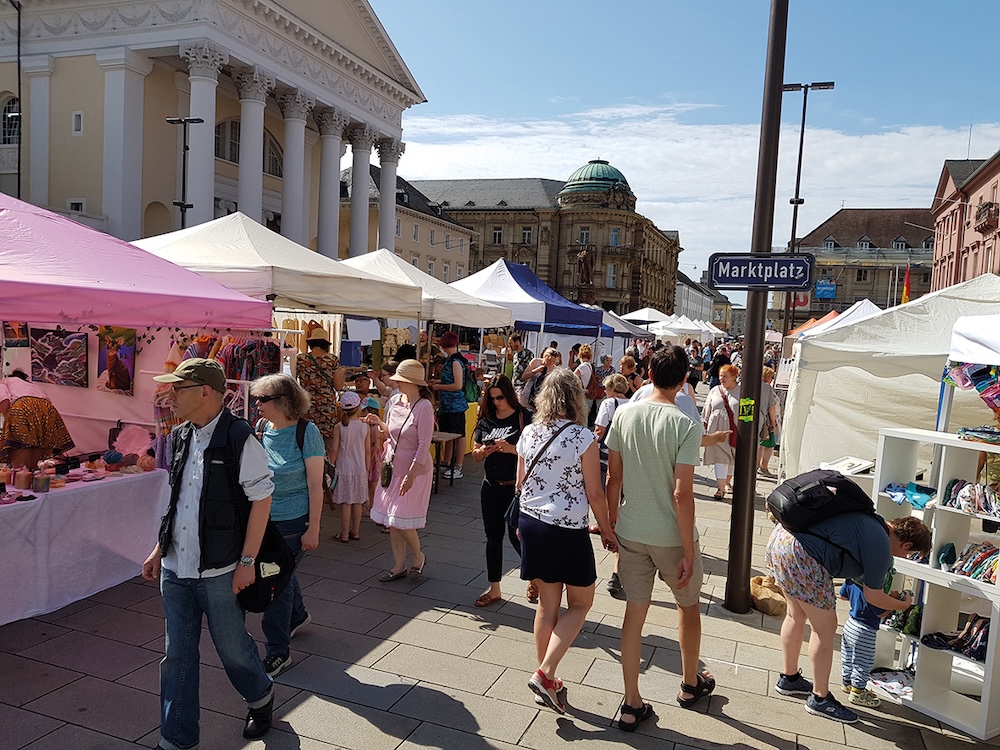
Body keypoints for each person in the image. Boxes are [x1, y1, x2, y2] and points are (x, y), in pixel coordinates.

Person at [143, 359, 276, 748]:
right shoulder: (180, 435)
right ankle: (177, 739)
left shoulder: (239, 437)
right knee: (177, 657)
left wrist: (247, 562)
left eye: (178, 388)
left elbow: (262, 501)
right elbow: (179, 503)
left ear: (205, 391)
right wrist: (159, 549)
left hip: (221, 570)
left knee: (232, 649)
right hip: (176, 569)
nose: (169, 396)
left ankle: (260, 695)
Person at [606, 346, 714, 730]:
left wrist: (610, 523)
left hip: (631, 529)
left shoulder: (624, 413)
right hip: (670, 535)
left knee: (634, 615)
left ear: (648, 374)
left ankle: (631, 702)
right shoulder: (686, 425)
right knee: (688, 607)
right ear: (684, 380)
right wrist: (688, 549)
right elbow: (682, 494)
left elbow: (613, 478)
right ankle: (689, 683)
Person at [515, 368, 617, 713]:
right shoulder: (582, 437)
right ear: (577, 398)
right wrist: (606, 529)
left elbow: (521, 482)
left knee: (547, 606)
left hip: (531, 522)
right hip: (566, 528)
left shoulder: (529, 432)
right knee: (580, 603)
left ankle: (546, 679)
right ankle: (545, 674)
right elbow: (595, 493)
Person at [766, 513, 930, 724]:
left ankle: (789, 679)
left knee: (794, 614)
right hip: (804, 556)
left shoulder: (873, 520)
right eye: (910, 554)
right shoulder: (881, 545)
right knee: (824, 629)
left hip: (782, 539)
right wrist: (903, 605)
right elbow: (873, 597)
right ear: (906, 545)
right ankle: (820, 698)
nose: (906, 557)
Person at [249, 373, 325, 677]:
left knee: (273, 585)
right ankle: (298, 616)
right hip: (263, 519)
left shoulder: (307, 432)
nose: (256, 403)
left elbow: (316, 486)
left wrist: (314, 528)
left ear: (282, 401)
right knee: (282, 573)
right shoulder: (261, 428)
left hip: (293, 521)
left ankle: (278, 652)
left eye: (262, 398)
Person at [363, 360, 435, 582]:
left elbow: (423, 444)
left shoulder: (424, 406)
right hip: (393, 468)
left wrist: (411, 474)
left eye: (399, 380)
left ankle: (418, 556)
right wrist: (378, 422)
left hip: (415, 472)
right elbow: (392, 434)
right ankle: (398, 565)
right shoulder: (396, 401)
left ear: (411, 383)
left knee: (400, 518)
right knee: (393, 521)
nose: (395, 383)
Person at [471, 374, 532, 607]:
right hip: (491, 486)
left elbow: (535, 451)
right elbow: (475, 454)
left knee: (519, 536)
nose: (497, 402)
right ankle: (494, 588)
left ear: (509, 395)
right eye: (493, 398)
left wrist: (511, 449)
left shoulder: (524, 417)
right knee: (493, 538)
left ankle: (535, 576)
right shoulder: (486, 420)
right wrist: (483, 452)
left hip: (517, 489)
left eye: (500, 397)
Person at [0, 370, 75, 468]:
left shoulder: (3, 382)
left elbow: (4, 400)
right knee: (33, 464)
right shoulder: (31, 385)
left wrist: (9, 427)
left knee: (20, 467)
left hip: (23, 406)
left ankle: (21, 471)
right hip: (47, 409)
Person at [296, 327, 345, 457]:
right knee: (328, 443)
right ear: (325, 344)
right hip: (327, 406)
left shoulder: (301, 359)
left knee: (307, 439)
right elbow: (338, 386)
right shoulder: (332, 360)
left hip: (307, 405)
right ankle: (327, 466)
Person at [838, 579, 887, 708]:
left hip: (850, 624)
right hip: (865, 630)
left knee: (848, 656)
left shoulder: (852, 579)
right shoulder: (873, 588)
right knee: (864, 662)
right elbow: (881, 612)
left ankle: (847, 683)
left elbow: (842, 596)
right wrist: (898, 603)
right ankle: (858, 692)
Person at [330, 390, 372, 542]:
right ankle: (356, 531)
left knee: (346, 503)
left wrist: (330, 464)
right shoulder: (365, 427)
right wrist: (367, 467)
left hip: (344, 468)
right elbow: (368, 450)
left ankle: (344, 533)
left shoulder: (339, 427)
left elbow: (334, 450)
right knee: (358, 502)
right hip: (360, 468)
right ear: (358, 407)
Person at [432, 331, 469, 480]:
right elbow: (450, 380)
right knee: (447, 435)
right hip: (447, 405)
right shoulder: (450, 360)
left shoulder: (456, 362)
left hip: (456, 405)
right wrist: (438, 382)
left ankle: (458, 466)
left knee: (459, 435)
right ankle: (446, 462)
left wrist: (439, 387)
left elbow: (457, 385)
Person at [702, 364, 740, 500]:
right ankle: (720, 488)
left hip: (735, 429)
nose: (722, 379)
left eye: (725, 376)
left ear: (734, 377)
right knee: (720, 458)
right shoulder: (715, 390)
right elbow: (707, 408)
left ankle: (727, 482)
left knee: (731, 458)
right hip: (716, 429)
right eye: (720, 376)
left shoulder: (742, 392)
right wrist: (704, 424)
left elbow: (747, 413)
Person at [757, 366, 780, 478]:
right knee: (767, 444)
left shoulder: (751, 385)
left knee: (759, 445)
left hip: (754, 419)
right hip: (766, 421)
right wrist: (773, 422)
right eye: (771, 377)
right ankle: (763, 467)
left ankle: (756, 467)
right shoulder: (767, 388)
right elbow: (771, 407)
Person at [574, 344, 598, 422]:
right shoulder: (589, 365)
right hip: (586, 394)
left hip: (581, 394)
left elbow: (572, 378)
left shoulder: (583, 366)